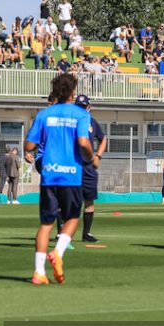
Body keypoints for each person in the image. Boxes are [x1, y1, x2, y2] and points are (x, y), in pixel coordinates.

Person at [23, 74, 94, 285]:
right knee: (72, 218)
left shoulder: (44, 114)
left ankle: (38, 272)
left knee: (46, 224)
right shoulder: (80, 114)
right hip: (71, 175)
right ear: (73, 92)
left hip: (49, 174)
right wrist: (90, 155)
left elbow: (29, 146)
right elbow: (83, 141)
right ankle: (58, 252)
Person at [74, 95, 107, 243]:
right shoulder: (71, 122)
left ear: (89, 107)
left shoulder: (92, 122)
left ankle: (86, 234)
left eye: (83, 107)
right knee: (67, 200)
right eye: (78, 107)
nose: (81, 109)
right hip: (72, 164)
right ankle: (61, 234)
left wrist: (98, 156)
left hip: (88, 166)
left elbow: (103, 138)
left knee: (89, 199)